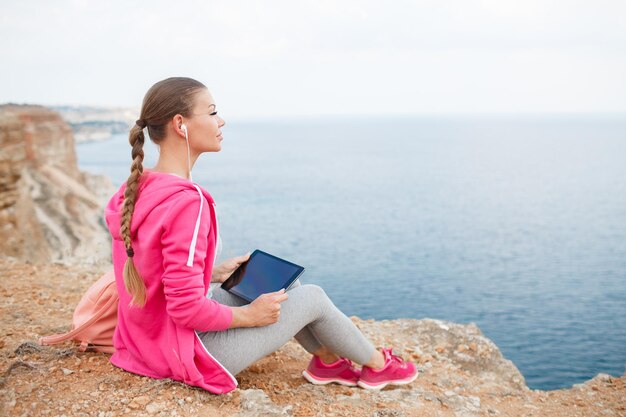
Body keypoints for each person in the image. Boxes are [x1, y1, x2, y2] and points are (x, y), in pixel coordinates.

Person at [104, 77, 418, 394]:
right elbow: (184, 308)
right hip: (185, 353)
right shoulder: (188, 203)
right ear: (180, 124)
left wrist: (211, 273)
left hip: (146, 343)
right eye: (212, 112)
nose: (221, 120)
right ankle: (379, 366)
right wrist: (249, 316)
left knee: (280, 282)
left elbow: (150, 268)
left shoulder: (140, 186)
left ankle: (327, 361)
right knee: (313, 298)